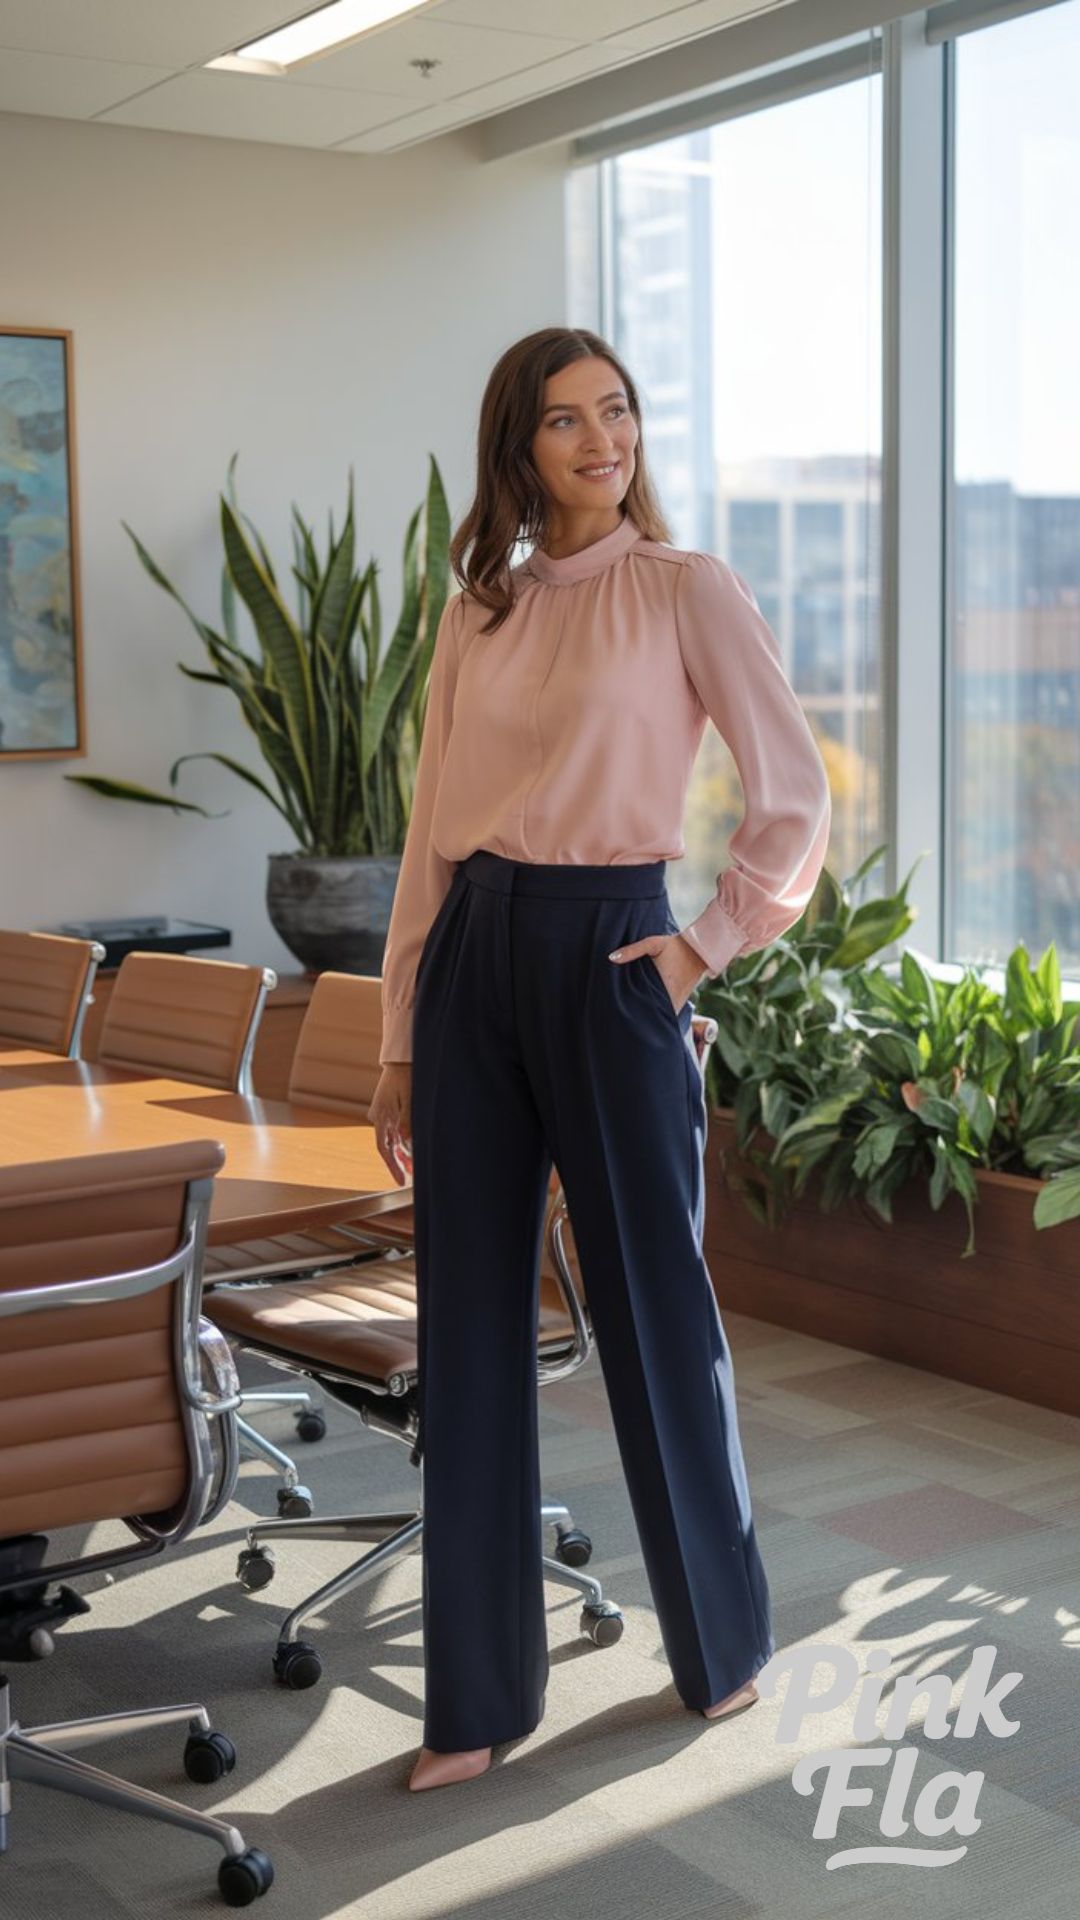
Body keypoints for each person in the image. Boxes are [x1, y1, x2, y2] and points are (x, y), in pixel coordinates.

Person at [369, 326, 832, 1792]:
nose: (600, 441)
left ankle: (723, 1644)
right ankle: (476, 1700)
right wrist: (396, 1038)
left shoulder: (684, 589)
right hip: (473, 963)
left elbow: (794, 794)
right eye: (566, 421)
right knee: (471, 1334)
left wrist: (701, 947)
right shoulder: (478, 612)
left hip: (616, 950)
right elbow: (427, 837)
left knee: (653, 1311)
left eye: (618, 412)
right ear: (521, 445)